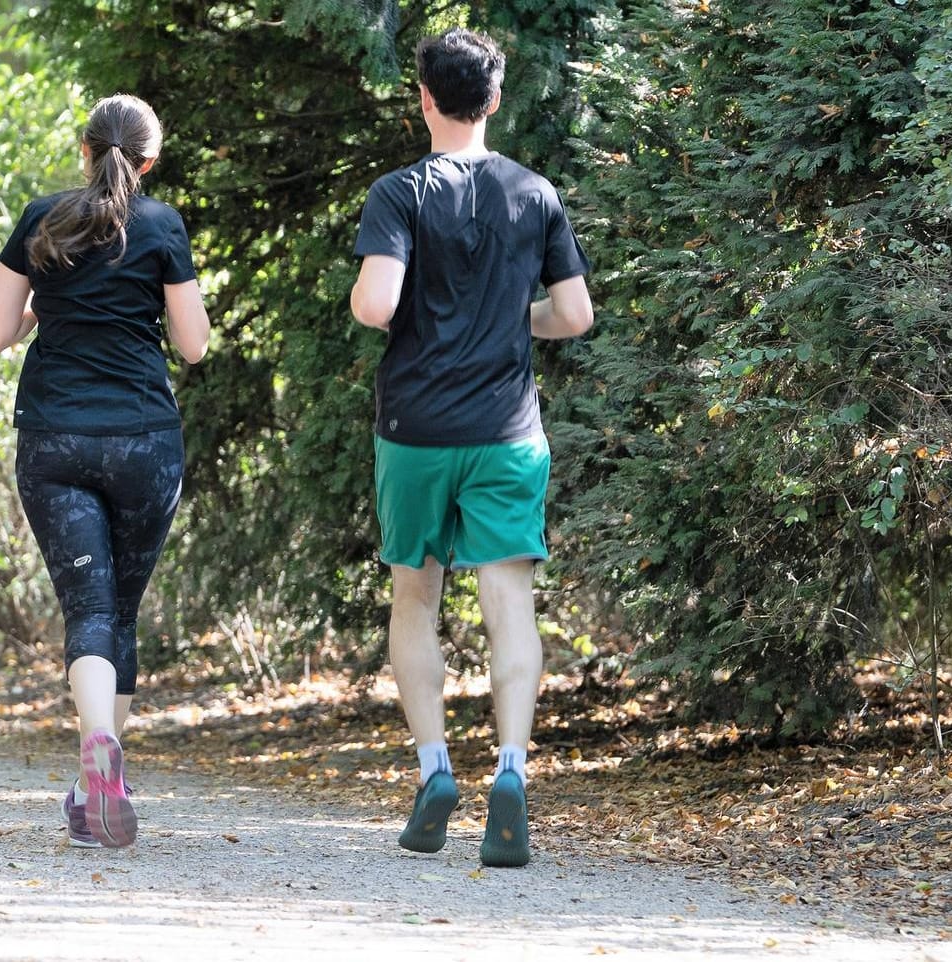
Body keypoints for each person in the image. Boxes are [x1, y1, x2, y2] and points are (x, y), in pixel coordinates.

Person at [348, 28, 594, 868]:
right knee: (509, 605)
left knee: (415, 600)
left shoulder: (398, 193)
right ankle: (514, 772)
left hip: (415, 432)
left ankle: (435, 771)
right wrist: (509, 321)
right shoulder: (536, 192)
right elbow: (575, 316)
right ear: (493, 100)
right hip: (507, 432)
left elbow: (378, 306)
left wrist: (375, 291)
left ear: (423, 98)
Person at [0, 94, 210, 849]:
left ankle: (93, 764)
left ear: (85, 150)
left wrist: (49, 306)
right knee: (121, 611)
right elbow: (194, 345)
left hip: (54, 438)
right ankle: (99, 776)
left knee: (87, 608)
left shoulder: (42, 219)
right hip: (145, 441)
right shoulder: (163, 225)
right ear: (149, 161)